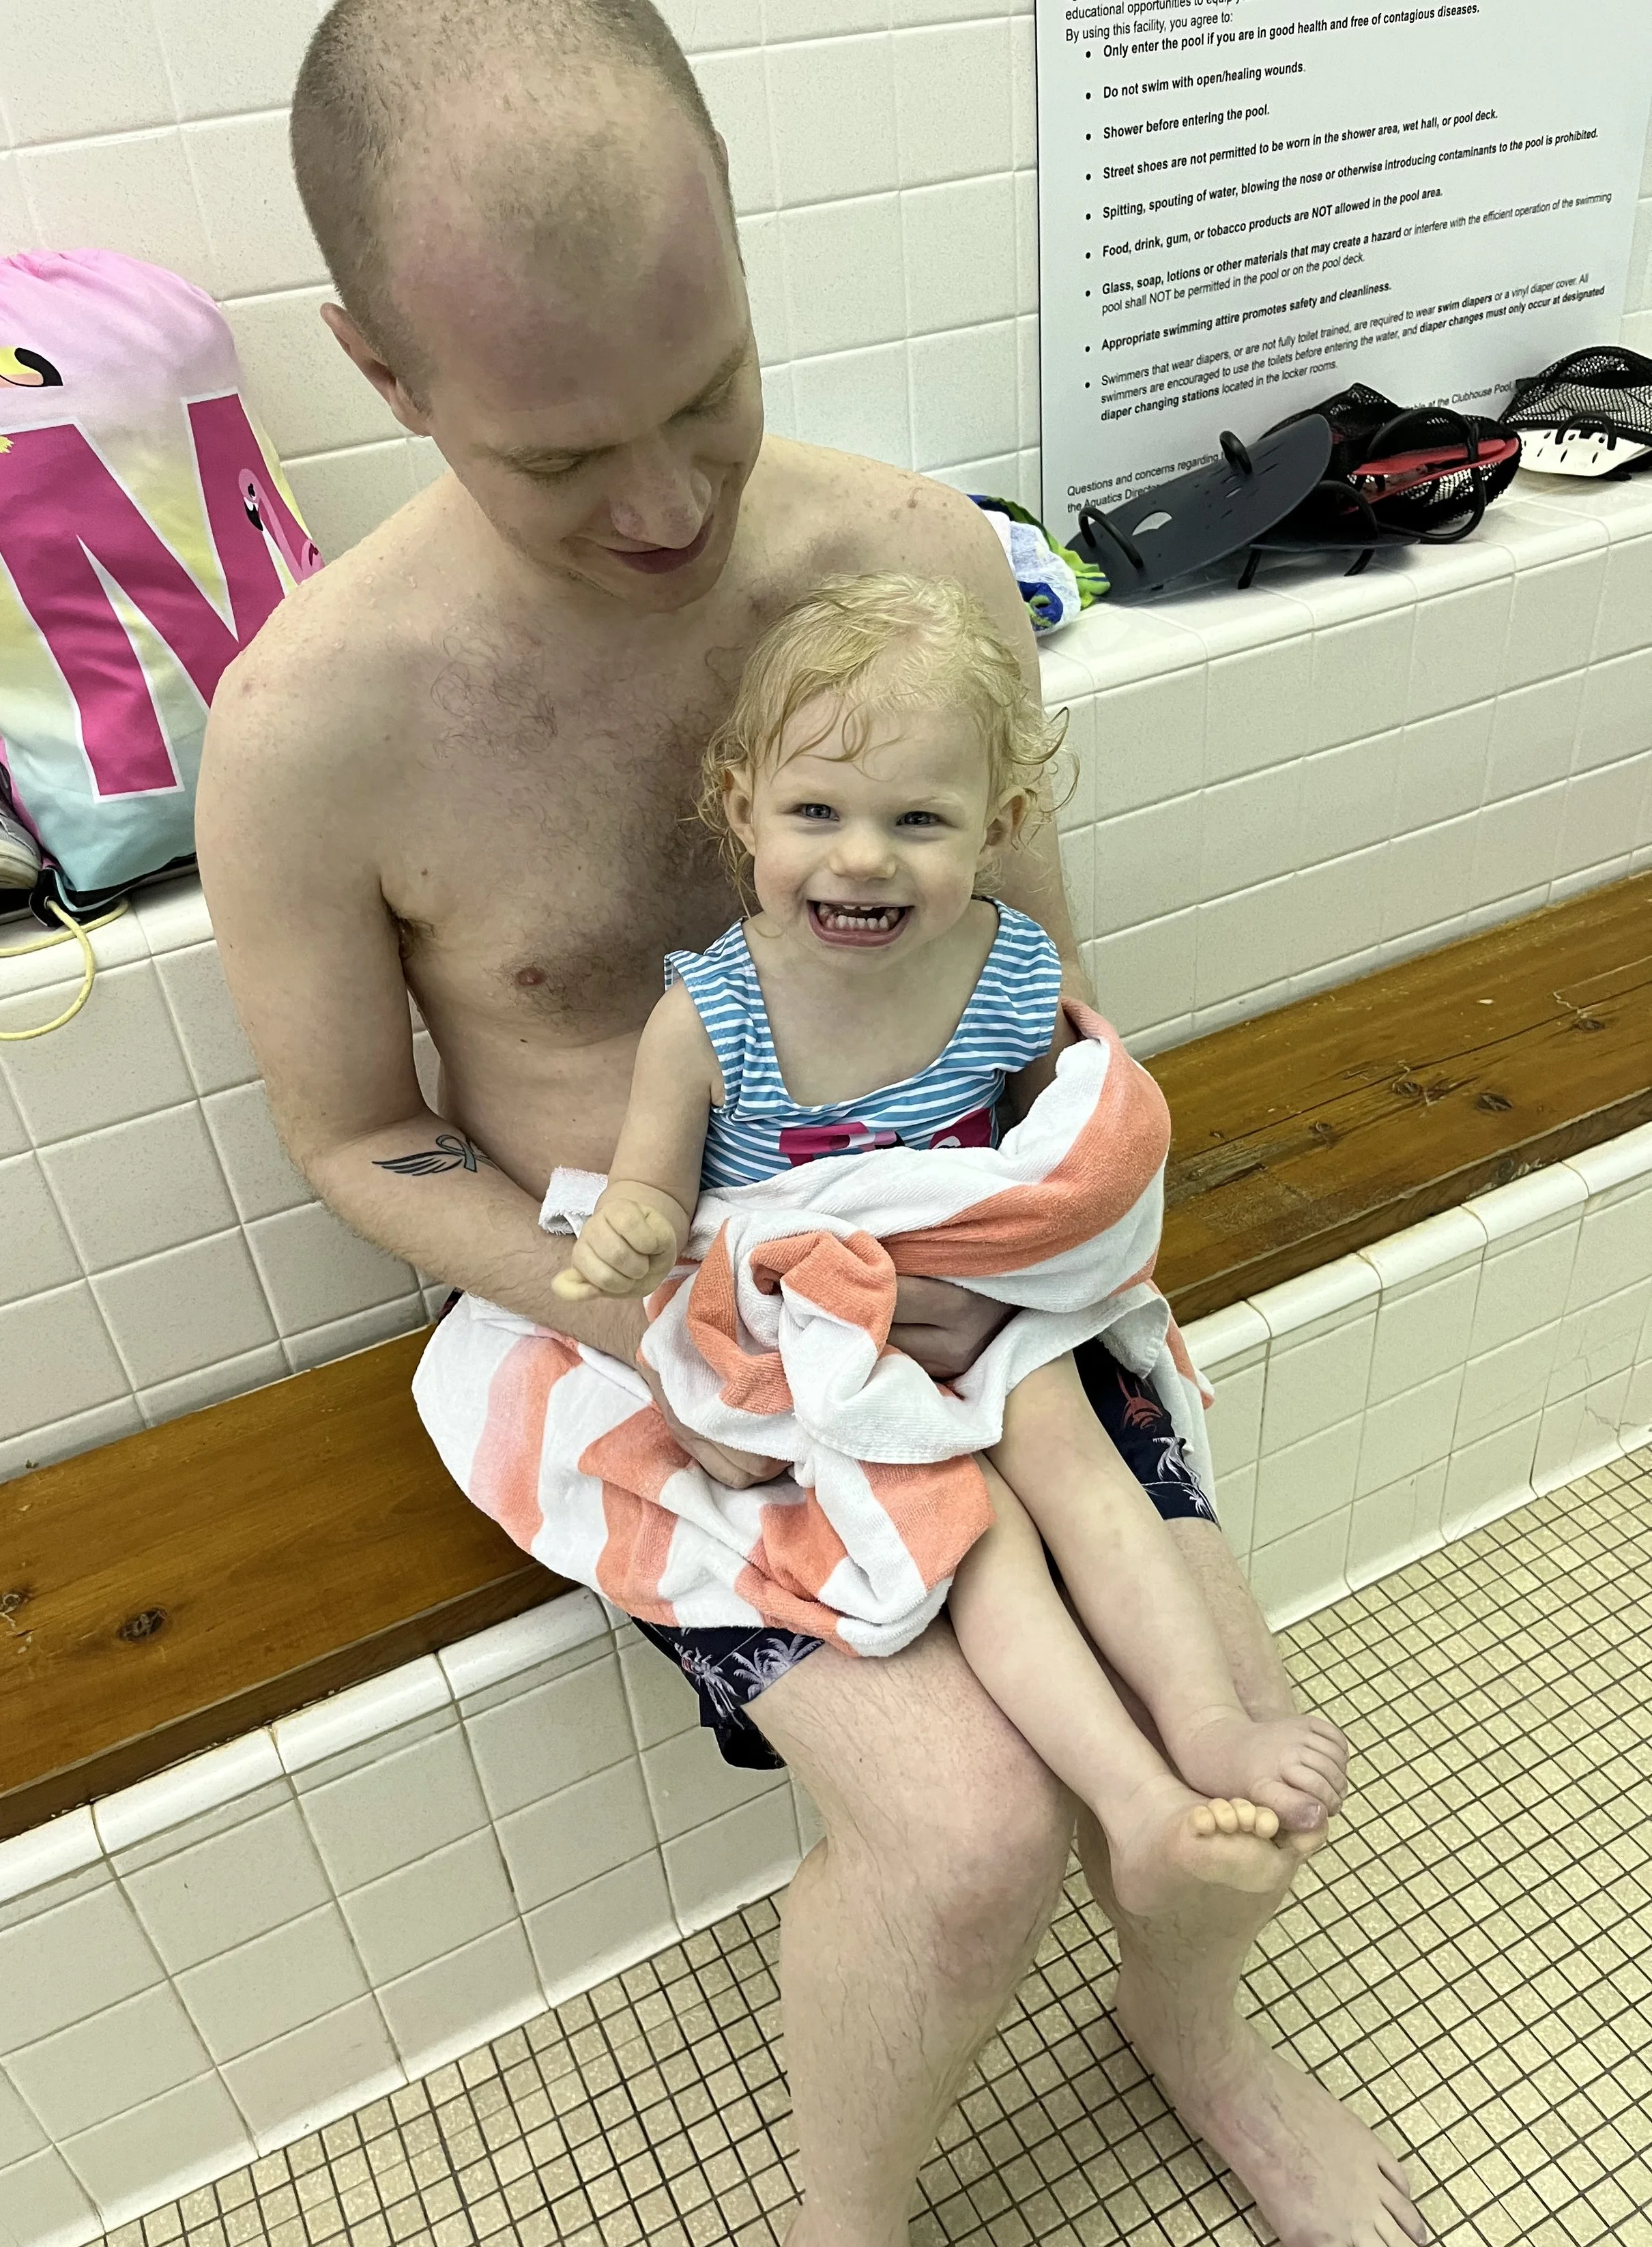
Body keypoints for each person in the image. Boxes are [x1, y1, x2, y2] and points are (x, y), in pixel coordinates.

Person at [196, 4, 1431, 2247]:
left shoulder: (911, 562)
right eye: (562, 455)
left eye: (708, 392)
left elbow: (1051, 979)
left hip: (974, 1258)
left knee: (1238, 1723)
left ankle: (1200, 2037)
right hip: (664, 1334)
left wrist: (1020, 1233)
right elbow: (364, 1141)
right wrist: (677, 1307)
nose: (665, 508)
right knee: (962, 1834)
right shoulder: (312, 733)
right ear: (389, 375)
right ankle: (839, 2245)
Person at [555, 569, 1352, 1915]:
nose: (861, 857)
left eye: (916, 819)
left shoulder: (1008, 974)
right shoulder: (708, 1018)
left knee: (1083, 1474)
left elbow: (1064, 1142)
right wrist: (633, 1234)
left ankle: (1205, 1728)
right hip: (823, 1337)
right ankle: (1135, 1799)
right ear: (743, 808)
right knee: (970, 1531)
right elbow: (650, 1193)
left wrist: (1039, 1244)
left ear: (1002, 824)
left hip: (981, 1307)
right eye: (815, 812)